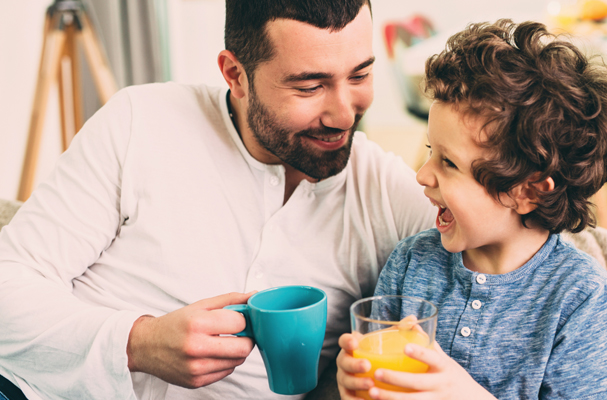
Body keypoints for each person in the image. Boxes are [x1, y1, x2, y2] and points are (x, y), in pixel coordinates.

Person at [0, 1, 435, 399]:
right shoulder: (141, 121)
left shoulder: (386, 191)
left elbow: (495, 262)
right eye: (309, 87)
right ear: (235, 74)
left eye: (359, 75)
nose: (344, 114)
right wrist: (138, 342)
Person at [336, 19, 607, 400]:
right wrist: (355, 385)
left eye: (448, 164)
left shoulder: (576, 299)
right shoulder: (411, 264)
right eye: (431, 153)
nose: (421, 175)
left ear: (527, 191)